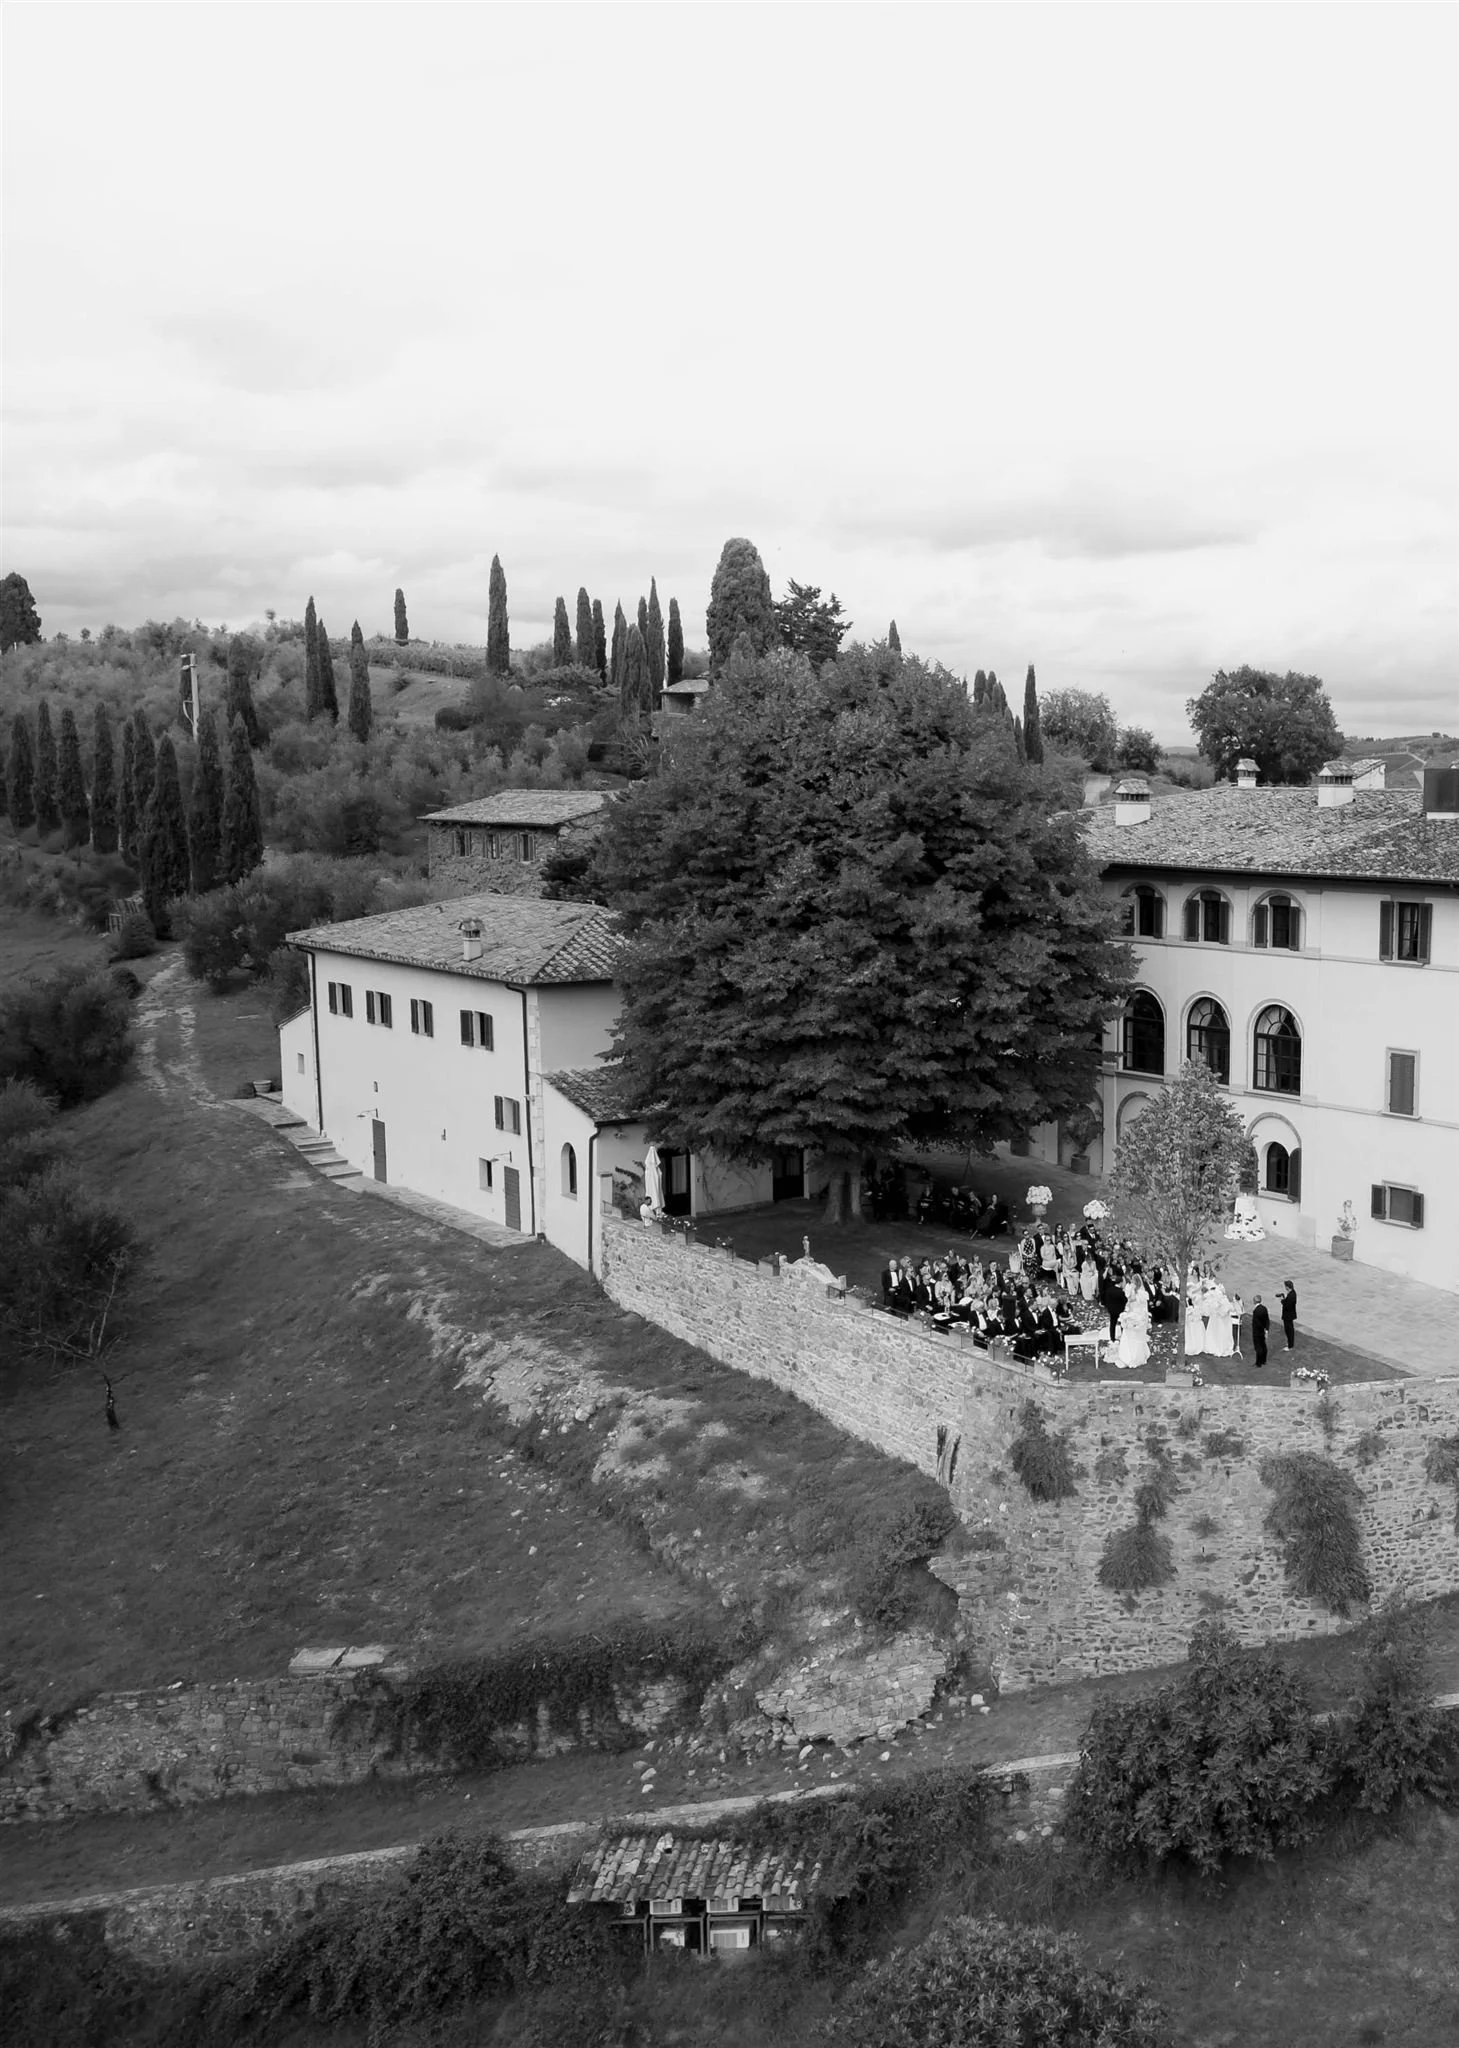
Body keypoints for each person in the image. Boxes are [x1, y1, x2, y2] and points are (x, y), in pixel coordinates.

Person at [1251, 1294, 1271, 1368]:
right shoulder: (1264, 1308)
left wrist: (1260, 1328)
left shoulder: (1256, 1311)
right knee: (1263, 1345)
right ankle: (1264, 1360)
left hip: (1257, 1332)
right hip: (1263, 1331)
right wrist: (1266, 1329)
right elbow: (1267, 1320)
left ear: (1254, 1301)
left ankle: (1258, 1363)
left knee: (1258, 1347)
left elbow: (1257, 1323)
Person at [1281, 1280, 1298, 1351]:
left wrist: (1282, 1301)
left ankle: (1290, 1345)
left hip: (1288, 1315)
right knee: (1289, 1329)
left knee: (1289, 1330)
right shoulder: (1292, 1293)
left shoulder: (1291, 1295)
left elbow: (1287, 1305)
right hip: (1290, 1315)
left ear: (1287, 1287)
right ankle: (1290, 1343)